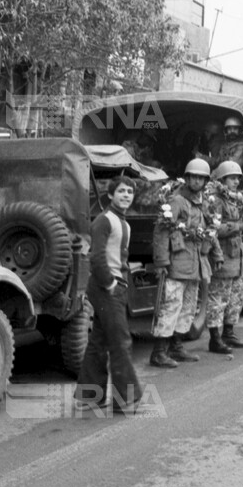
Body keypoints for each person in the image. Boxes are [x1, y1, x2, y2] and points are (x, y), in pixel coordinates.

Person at [74, 176, 146, 412]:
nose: (126, 195)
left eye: (130, 192)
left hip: (116, 288)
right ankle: (124, 400)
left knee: (99, 341)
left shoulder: (124, 223)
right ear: (111, 195)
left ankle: (89, 397)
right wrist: (110, 284)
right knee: (120, 341)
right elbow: (96, 257)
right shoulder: (104, 221)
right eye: (122, 191)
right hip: (106, 288)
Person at [150, 159, 221, 367]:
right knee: (171, 305)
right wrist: (162, 262)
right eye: (193, 177)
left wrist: (216, 253)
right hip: (177, 263)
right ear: (187, 178)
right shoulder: (177, 201)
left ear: (206, 181)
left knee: (188, 307)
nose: (197, 181)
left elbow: (210, 231)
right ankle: (159, 351)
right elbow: (162, 230)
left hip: (196, 263)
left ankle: (176, 346)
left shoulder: (202, 203)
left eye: (201, 178)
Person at [204, 161, 243, 353]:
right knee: (218, 299)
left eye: (237, 178)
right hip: (223, 257)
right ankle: (215, 339)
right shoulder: (215, 200)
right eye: (232, 178)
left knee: (236, 298)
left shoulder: (235, 199)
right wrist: (239, 226)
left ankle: (229, 333)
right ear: (222, 179)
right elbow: (214, 229)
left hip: (237, 257)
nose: (236, 182)